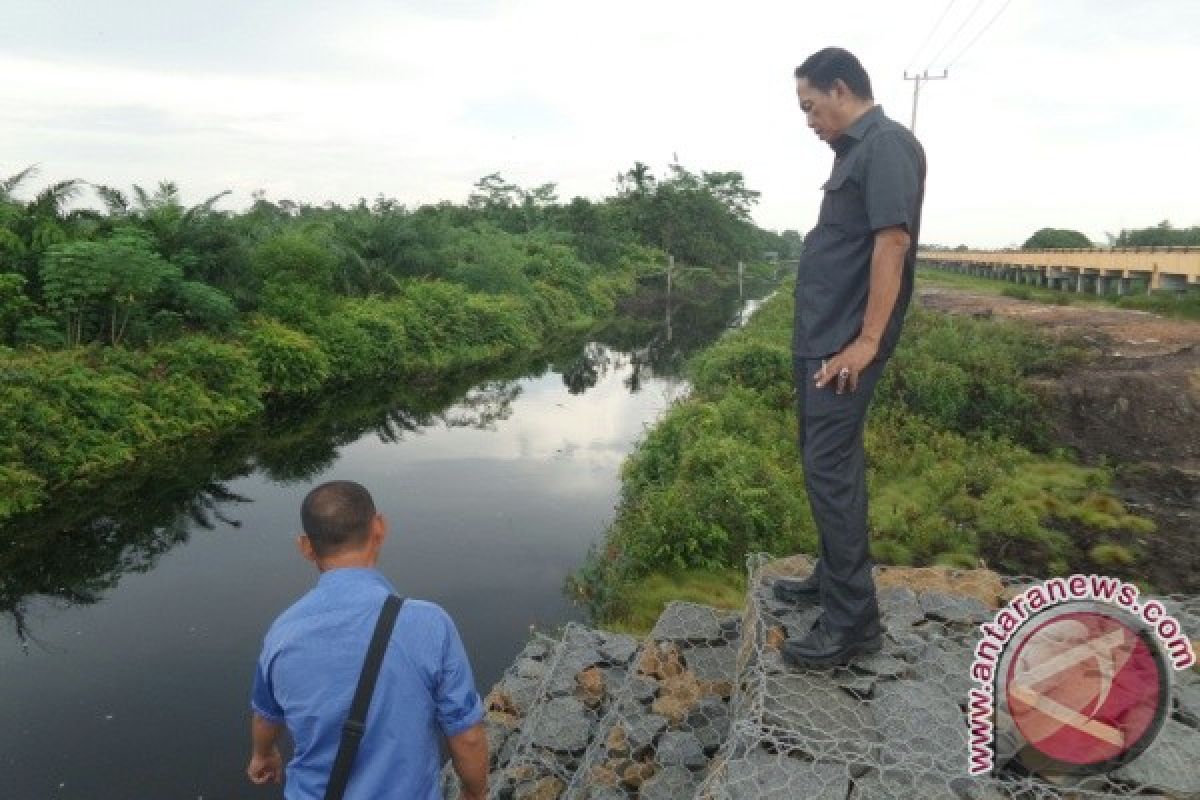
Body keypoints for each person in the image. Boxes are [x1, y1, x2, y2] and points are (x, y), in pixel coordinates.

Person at [776, 47, 926, 669]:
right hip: (823, 337)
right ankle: (831, 577)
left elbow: (892, 242)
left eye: (811, 106)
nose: (809, 121)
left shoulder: (886, 145)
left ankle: (852, 626)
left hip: (845, 345)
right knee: (824, 467)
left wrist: (865, 344)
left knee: (831, 471)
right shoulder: (855, 152)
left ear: (841, 89)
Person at [247, 480, 488, 799]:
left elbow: (267, 715)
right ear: (380, 528)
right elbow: (467, 736)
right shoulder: (429, 624)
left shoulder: (282, 634)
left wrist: (263, 754)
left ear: (306, 547)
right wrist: (474, 793)